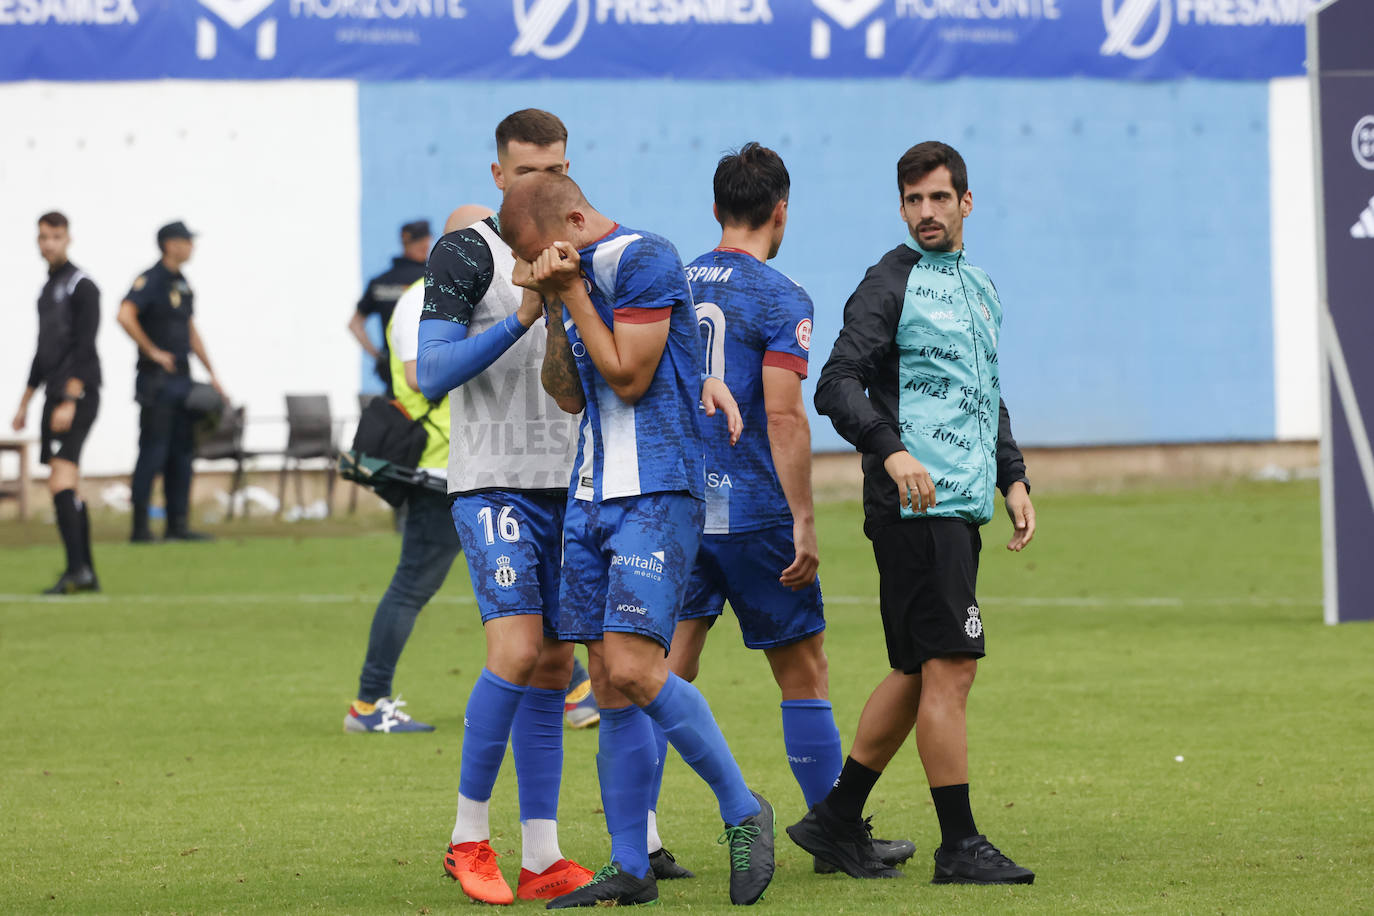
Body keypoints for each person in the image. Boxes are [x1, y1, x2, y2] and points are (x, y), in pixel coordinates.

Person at [501, 170, 773, 909]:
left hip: (657, 492)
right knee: (609, 679)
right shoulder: (574, 281)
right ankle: (631, 865)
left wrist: (575, 292)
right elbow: (567, 392)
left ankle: (744, 809)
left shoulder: (645, 258)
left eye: (540, 253)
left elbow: (626, 377)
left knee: (633, 665)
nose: (537, 268)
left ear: (578, 219)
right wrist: (555, 301)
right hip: (588, 497)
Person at [648, 142, 914, 878]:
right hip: (753, 509)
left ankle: (640, 839)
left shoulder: (671, 279)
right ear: (781, 210)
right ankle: (838, 833)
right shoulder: (779, 294)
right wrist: (803, 517)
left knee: (665, 670)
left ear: (715, 210)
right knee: (805, 669)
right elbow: (784, 415)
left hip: (676, 503)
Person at [787, 141, 1037, 885]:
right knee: (952, 664)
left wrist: (1013, 475)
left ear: (965, 203)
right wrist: (892, 451)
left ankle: (835, 820)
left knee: (916, 666)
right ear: (902, 207)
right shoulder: (888, 282)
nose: (926, 212)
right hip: (913, 506)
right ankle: (959, 846)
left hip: (960, 504)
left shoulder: (981, 286)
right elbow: (835, 383)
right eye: (913, 200)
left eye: (938, 198)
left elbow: (980, 387)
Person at [416, 110, 593, 906]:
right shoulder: (465, 252)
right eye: (526, 172)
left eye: (554, 169)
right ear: (498, 177)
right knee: (518, 653)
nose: (541, 185)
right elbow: (430, 372)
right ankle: (467, 839)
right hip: (493, 479)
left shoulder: (580, 245)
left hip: (571, 480)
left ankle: (543, 854)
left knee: (558, 664)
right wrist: (523, 314)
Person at [343, 206, 492, 735]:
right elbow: (421, 376)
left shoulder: (445, 292)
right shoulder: (423, 299)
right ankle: (367, 703)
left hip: (468, 463)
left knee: (515, 578)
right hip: (437, 468)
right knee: (412, 587)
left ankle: (574, 692)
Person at [116, 221, 225, 543]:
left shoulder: (182, 283)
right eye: (187, 241)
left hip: (182, 381)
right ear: (170, 244)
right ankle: (140, 528)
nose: (192, 246)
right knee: (153, 452)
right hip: (157, 382)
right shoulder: (151, 279)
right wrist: (152, 351)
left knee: (182, 452)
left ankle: (178, 524)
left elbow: (190, 330)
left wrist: (212, 373)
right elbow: (125, 314)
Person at [11, 211, 102, 594]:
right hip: (53, 396)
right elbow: (43, 351)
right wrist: (25, 401)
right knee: (69, 486)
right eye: (43, 236)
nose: (48, 243)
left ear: (68, 239)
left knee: (60, 480)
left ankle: (77, 570)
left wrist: (70, 396)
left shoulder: (82, 286)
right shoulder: (48, 289)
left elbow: (85, 345)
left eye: (56, 236)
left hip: (76, 395)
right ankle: (86, 573)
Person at [350, 219, 431, 396]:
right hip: (426, 373)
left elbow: (355, 324)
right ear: (426, 242)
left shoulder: (381, 282)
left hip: (392, 374)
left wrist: (379, 356)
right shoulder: (432, 279)